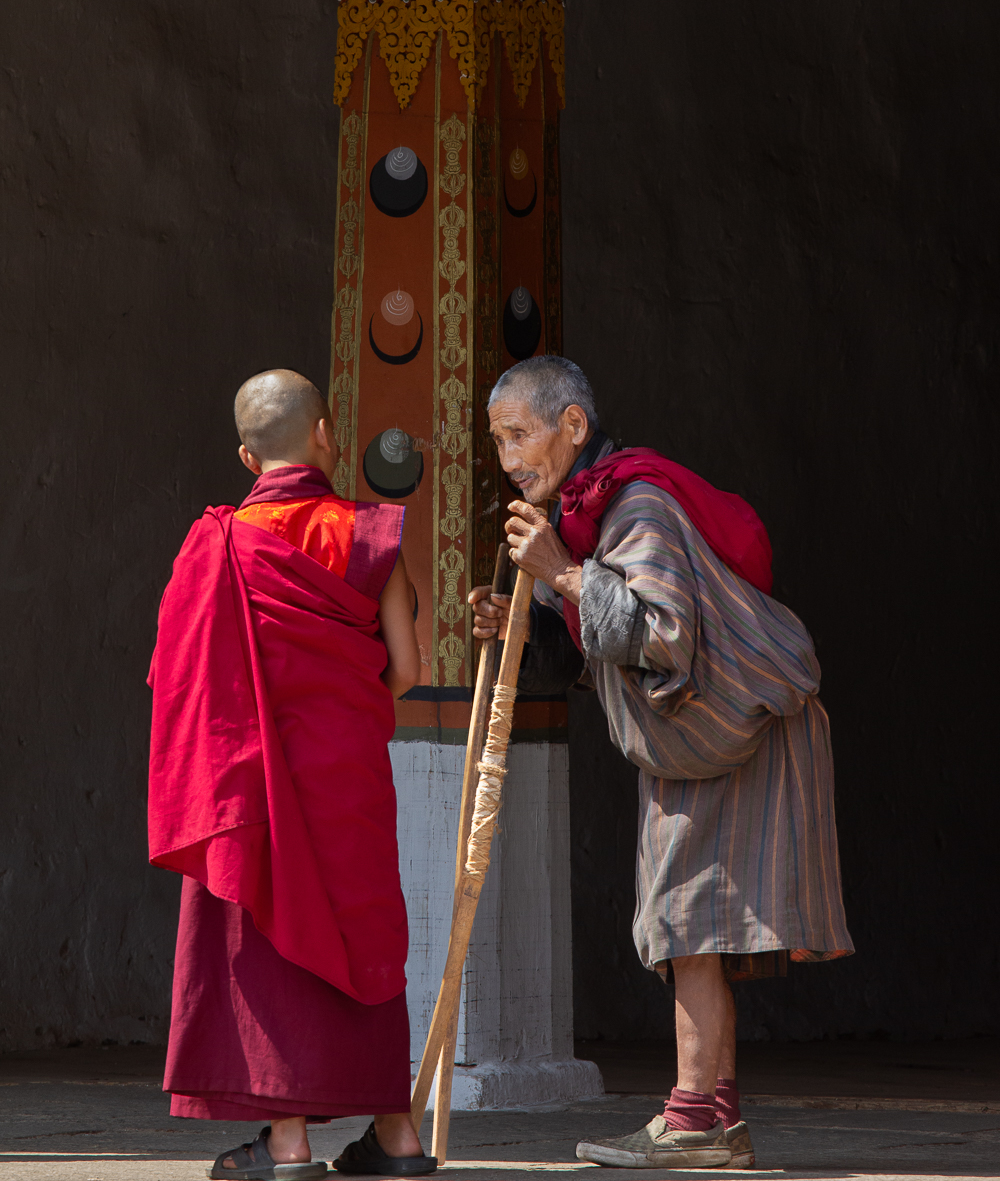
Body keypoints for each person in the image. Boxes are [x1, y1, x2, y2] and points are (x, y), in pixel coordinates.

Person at [470, 355, 853, 1171]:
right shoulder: (580, 521)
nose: (507, 458)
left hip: (731, 729)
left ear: (573, 425)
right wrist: (520, 620)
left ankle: (693, 1122)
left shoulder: (633, 505)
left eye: (518, 434)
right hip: (696, 744)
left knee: (688, 924)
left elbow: (661, 635)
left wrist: (563, 575)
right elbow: (576, 660)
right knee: (691, 930)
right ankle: (713, 1120)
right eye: (497, 440)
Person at [147, 369, 437, 1181]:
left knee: (275, 942)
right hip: (347, 777)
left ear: (246, 455)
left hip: (253, 785)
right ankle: (399, 1136)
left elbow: (184, 683)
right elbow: (407, 668)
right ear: (326, 434)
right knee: (367, 936)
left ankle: (288, 1143)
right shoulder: (371, 533)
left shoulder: (217, 544)